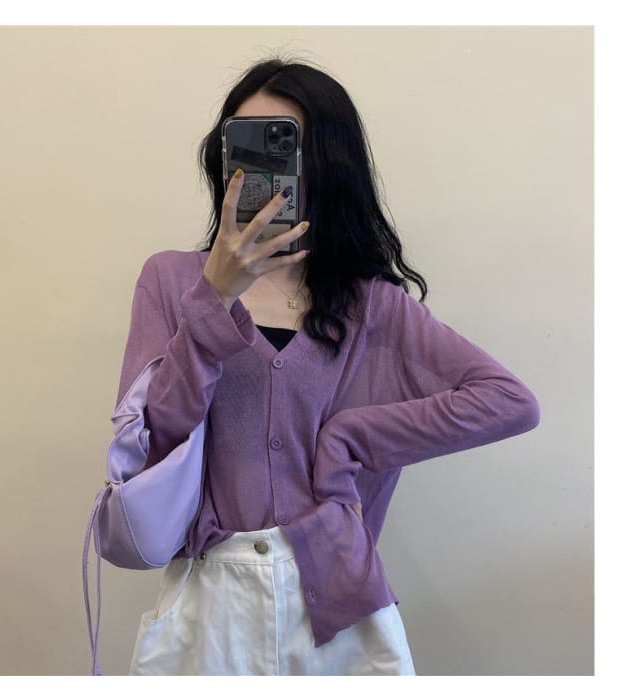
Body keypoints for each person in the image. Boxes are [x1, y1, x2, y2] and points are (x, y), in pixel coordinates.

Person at [117, 58, 541, 676]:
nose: (259, 168)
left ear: (325, 161)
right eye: (244, 143)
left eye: (283, 145)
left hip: (339, 604)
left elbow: (508, 401)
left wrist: (350, 438)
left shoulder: (372, 304)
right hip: (212, 604)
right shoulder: (173, 279)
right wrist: (216, 297)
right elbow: (154, 443)